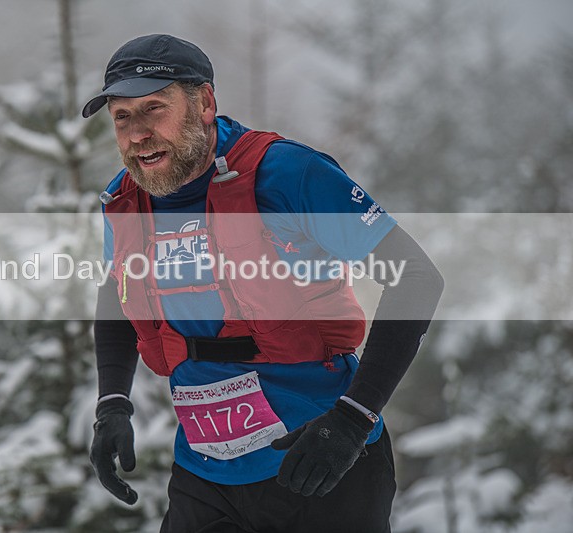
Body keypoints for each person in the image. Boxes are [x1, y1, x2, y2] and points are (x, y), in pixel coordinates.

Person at [83, 34, 444, 533]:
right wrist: (112, 403)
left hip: (321, 463)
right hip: (206, 472)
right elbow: (119, 291)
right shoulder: (126, 200)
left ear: (204, 102)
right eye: (122, 116)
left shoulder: (287, 173)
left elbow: (417, 277)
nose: (138, 133)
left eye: (153, 109)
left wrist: (352, 419)